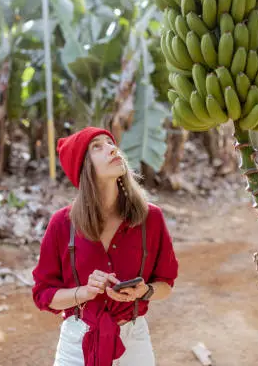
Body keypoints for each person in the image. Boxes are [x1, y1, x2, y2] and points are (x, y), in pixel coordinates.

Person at [32, 127, 179, 366]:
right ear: (83, 167)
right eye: (96, 146)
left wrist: (144, 291)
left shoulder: (150, 218)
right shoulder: (62, 223)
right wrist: (85, 292)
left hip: (134, 341)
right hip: (76, 344)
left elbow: (166, 285)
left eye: (110, 143)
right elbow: (43, 295)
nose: (112, 148)